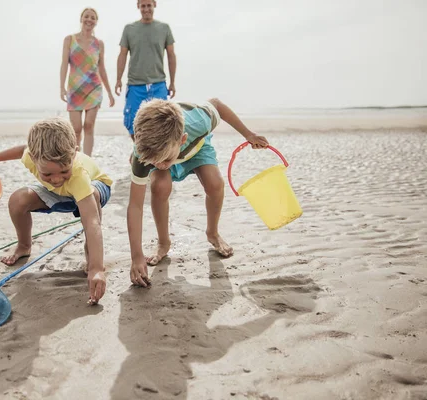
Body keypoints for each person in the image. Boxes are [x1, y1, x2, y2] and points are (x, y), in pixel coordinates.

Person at [126, 98, 270, 287]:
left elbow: (218, 104)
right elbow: (135, 206)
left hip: (196, 148)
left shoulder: (200, 121)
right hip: (161, 150)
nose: (159, 166)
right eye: (155, 162)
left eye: (164, 161)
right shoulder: (145, 155)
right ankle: (163, 242)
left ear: (182, 139)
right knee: (160, 187)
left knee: (215, 183)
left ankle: (213, 233)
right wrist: (136, 257)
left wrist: (248, 135)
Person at [0, 118, 111, 304]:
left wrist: (97, 269)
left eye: (63, 171)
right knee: (17, 200)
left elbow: (92, 222)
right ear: (34, 159)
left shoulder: (78, 175)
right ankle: (24, 246)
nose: (57, 178)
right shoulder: (31, 156)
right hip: (60, 195)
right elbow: (21, 150)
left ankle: (91, 256)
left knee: (91, 200)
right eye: (48, 174)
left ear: (74, 155)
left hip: (94, 188)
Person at [115, 0, 176, 140]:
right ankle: (139, 151)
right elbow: (122, 55)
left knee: (161, 124)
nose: (146, 9)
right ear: (138, 6)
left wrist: (172, 82)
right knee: (132, 123)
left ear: (154, 5)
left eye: (149, 5)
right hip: (135, 84)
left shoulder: (164, 28)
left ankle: (155, 157)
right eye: (143, 6)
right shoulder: (129, 29)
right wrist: (118, 79)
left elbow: (171, 55)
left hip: (158, 83)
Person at [60, 7, 115, 156]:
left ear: (96, 22)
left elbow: (101, 68)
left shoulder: (99, 44)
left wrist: (109, 93)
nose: (89, 20)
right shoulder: (69, 40)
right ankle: (76, 157)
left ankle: (88, 159)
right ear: (81, 19)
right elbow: (64, 64)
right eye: (87, 16)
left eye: (93, 18)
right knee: (76, 128)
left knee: (89, 125)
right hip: (75, 89)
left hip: (94, 88)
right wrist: (62, 87)